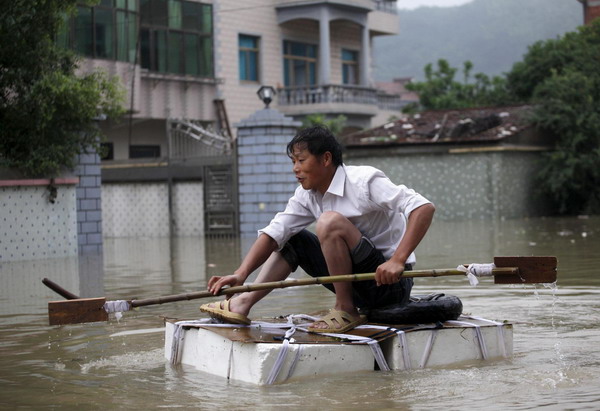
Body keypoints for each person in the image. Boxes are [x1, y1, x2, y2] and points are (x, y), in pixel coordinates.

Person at [200, 125, 435, 333]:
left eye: (301, 161)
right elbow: (275, 233)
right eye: (293, 162)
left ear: (325, 159)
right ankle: (243, 302)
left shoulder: (364, 181)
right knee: (293, 238)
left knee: (328, 222)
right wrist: (241, 274)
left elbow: (423, 207)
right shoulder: (306, 195)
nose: (295, 168)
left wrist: (397, 260)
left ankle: (345, 309)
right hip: (356, 283)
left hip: (389, 285)